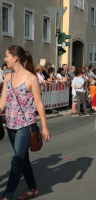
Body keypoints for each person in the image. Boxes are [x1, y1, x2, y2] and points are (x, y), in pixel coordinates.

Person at [0, 45, 50, 200]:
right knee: (23, 158)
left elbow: (39, 103)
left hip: (26, 125)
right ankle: (33, 188)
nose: (4, 58)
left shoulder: (31, 78)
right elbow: (2, 102)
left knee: (16, 160)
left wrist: (45, 126)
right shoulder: (7, 76)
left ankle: (7, 195)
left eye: (7, 56)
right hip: (10, 124)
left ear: (15, 58)